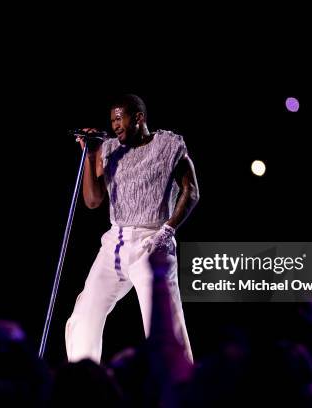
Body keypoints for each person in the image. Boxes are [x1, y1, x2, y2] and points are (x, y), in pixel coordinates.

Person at [65, 94, 198, 364]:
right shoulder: (110, 149)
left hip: (153, 240)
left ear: (138, 117)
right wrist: (91, 156)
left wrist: (168, 230)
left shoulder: (168, 144)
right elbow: (92, 201)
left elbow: (191, 191)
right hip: (115, 240)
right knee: (84, 314)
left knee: (164, 323)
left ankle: (181, 386)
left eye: (119, 118)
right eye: (112, 120)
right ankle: (83, 381)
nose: (114, 125)